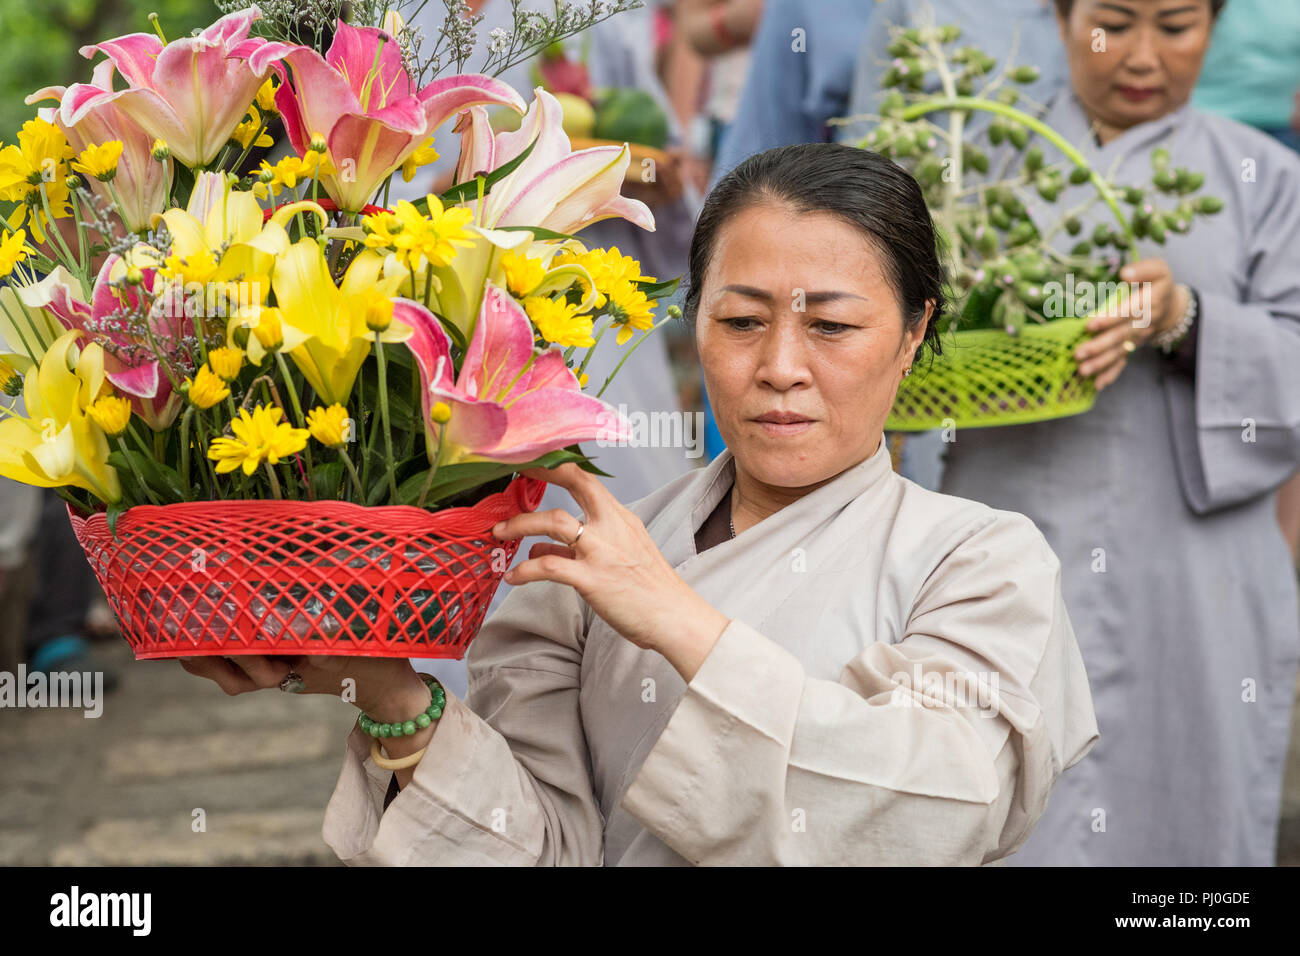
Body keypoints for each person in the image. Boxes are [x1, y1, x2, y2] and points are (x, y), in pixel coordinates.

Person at [177, 143, 1098, 866]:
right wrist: (380, 685)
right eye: (741, 322)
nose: (780, 366)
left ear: (914, 332)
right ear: (693, 322)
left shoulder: (979, 560)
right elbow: (535, 848)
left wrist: (677, 619)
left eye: (832, 326)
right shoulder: (588, 561)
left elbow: (938, 811)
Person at [937, 0, 1300, 865]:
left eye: (1175, 27)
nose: (1141, 56)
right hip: (1004, 529)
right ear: (1059, 18)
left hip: (1196, 558)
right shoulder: (974, 161)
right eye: (1113, 23)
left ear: (1215, 28)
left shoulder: (1265, 176)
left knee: (1185, 812)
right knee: (998, 787)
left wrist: (1187, 319)